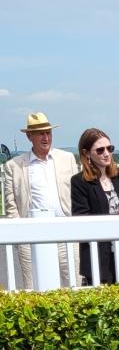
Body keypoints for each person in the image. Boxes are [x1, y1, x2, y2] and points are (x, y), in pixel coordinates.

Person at [0, 112, 79, 288]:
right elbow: (11, 205)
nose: (46, 137)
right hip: (31, 236)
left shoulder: (67, 159)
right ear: (29, 136)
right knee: (34, 289)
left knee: (74, 287)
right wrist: (20, 236)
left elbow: (77, 194)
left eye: (48, 132)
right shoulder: (14, 166)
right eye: (40, 133)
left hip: (65, 232)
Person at [70, 128, 119, 285]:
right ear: (86, 153)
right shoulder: (80, 182)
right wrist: (118, 219)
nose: (106, 153)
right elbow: (82, 219)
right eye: (100, 150)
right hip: (98, 258)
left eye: (110, 148)